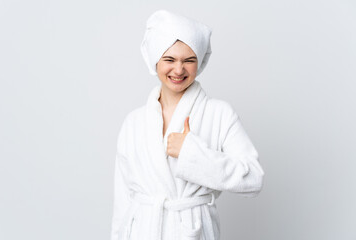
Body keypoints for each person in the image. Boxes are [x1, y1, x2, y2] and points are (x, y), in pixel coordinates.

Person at [111, 9, 265, 240]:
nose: (179, 69)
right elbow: (122, 202)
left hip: (192, 231)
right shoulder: (133, 122)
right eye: (169, 59)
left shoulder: (219, 113)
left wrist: (192, 155)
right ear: (155, 60)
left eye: (189, 60)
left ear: (199, 62)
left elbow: (254, 178)